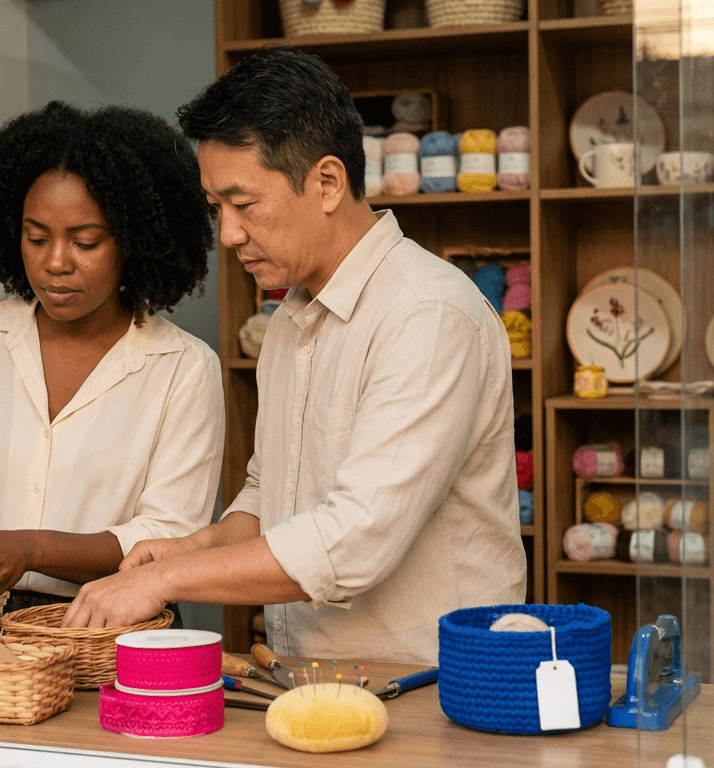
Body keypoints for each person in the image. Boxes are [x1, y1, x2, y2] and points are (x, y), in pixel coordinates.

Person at [61, 48, 526, 665]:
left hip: (434, 687)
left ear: (327, 183)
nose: (227, 234)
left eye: (244, 204)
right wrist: (192, 549)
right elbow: (271, 493)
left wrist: (160, 582)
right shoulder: (289, 321)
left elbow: (354, 540)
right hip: (316, 677)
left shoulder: (427, 315)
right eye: (215, 208)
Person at [0, 101, 224, 619]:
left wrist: (33, 549)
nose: (55, 262)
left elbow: (168, 536)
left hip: (109, 632)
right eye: (37, 238)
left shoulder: (183, 367)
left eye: (84, 242)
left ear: (133, 241)